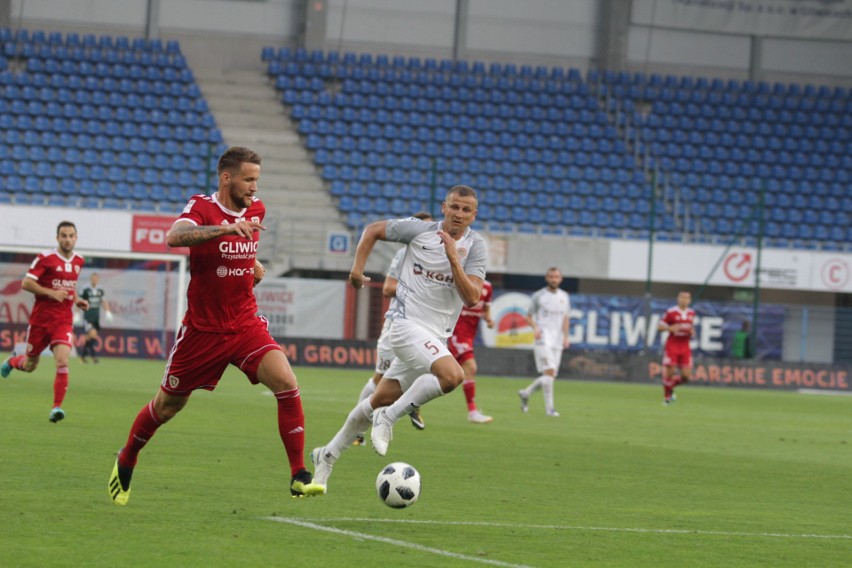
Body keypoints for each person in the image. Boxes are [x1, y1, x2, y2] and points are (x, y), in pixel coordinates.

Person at [107, 146, 324, 506]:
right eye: (249, 179)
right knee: (167, 406)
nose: (255, 187)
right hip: (202, 332)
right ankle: (127, 456)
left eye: (257, 179)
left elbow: (239, 258)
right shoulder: (201, 208)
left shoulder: (257, 209)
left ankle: (299, 475)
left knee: (286, 382)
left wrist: (251, 269)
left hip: (243, 324)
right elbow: (175, 237)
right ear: (227, 178)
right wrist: (222, 231)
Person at [311, 185, 487, 492]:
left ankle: (326, 455)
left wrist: (453, 260)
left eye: (466, 210)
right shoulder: (418, 231)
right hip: (404, 326)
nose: (459, 214)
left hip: (435, 336)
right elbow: (373, 230)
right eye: (455, 207)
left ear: (474, 215)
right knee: (452, 375)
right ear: (444, 207)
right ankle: (390, 419)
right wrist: (357, 270)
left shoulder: (476, 246)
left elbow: (471, 297)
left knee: (374, 400)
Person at [352, 212, 433, 445]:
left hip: (423, 326)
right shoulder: (404, 255)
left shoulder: (438, 257)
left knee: (429, 372)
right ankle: (358, 430)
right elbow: (388, 288)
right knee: (380, 380)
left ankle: (409, 405)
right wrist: (421, 293)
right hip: (398, 325)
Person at [1, 221, 89, 423]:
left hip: (63, 321)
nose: (67, 239)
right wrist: (51, 293)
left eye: (71, 235)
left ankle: (56, 407)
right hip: (41, 321)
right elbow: (26, 283)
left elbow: (70, 287)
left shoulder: (79, 261)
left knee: (63, 361)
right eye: (64, 236)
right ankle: (13, 361)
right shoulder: (45, 258)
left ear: (76, 238)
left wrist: (77, 300)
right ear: (57, 238)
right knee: (30, 365)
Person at [518, 267, 570, 417]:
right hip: (543, 338)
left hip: (558, 340)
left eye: (556, 277)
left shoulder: (564, 296)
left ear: (561, 279)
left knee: (550, 376)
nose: (554, 279)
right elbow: (528, 316)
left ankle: (526, 393)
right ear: (546, 278)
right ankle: (550, 409)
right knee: (550, 372)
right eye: (551, 276)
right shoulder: (539, 296)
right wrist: (535, 328)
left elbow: (566, 318)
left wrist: (566, 336)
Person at [448, 279, 494, 423]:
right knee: (470, 367)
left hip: (469, 337)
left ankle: (406, 397)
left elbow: (485, 310)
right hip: (455, 333)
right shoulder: (460, 282)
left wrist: (489, 319)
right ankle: (473, 412)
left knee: (446, 375)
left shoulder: (487, 287)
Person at [658, 290, 696, 405]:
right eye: (682, 297)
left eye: (687, 298)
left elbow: (691, 327)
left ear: (690, 300)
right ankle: (667, 397)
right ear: (678, 299)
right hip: (673, 345)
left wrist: (692, 332)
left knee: (686, 376)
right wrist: (669, 328)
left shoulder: (691, 313)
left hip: (685, 346)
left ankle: (670, 388)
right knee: (670, 372)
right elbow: (660, 327)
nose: (684, 300)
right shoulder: (671, 312)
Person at [78, 272, 112, 363]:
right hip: (88, 315)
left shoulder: (101, 289)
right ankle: (93, 357)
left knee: (89, 337)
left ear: (98, 279)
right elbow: (79, 301)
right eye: (93, 278)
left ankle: (83, 357)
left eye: (96, 278)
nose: (94, 280)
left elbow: (104, 301)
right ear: (91, 279)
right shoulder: (85, 289)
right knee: (92, 334)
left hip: (96, 315)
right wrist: (76, 313)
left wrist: (108, 312)